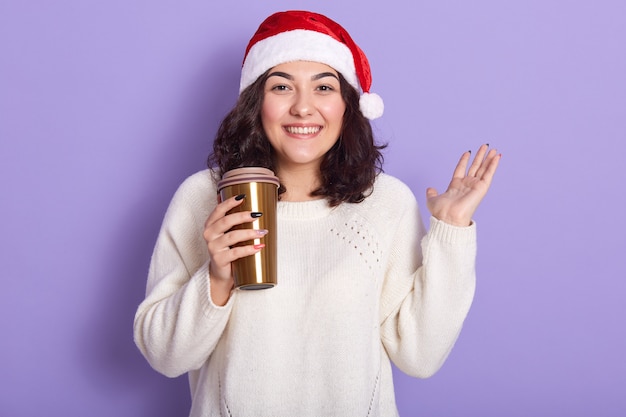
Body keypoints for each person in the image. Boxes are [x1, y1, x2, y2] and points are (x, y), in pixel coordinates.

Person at [133, 10, 501, 417]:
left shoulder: (387, 204)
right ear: (257, 104)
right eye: (281, 87)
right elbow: (163, 356)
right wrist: (217, 277)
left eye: (323, 87)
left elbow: (420, 356)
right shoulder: (204, 197)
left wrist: (451, 230)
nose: (303, 108)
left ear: (348, 105)